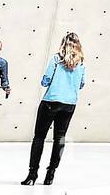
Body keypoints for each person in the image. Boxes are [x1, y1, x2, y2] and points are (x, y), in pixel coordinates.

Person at [21, 32, 86, 185]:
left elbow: (46, 81)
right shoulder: (81, 63)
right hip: (69, 104)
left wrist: (49, 82)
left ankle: (32, 174)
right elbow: (82, 84)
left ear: (63, 44)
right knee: (60, 138)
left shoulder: (57, 59)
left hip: (51, 101)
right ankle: (50, 174)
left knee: (39, 137)